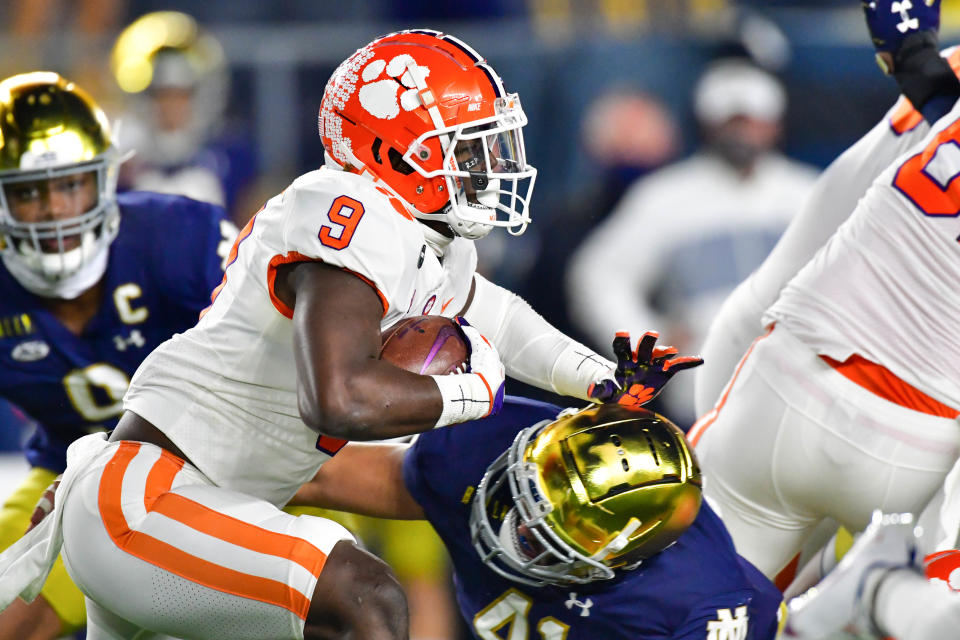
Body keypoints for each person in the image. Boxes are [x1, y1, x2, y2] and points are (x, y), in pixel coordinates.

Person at [0, 30, 701, 639]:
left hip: (197, 501)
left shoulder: (420, 238)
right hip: (153, 498)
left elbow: (502, 319)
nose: (488, 166)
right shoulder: (345, 207)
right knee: (363, 596)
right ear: (393, 155)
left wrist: (598, 380)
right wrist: (475, 386)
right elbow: (338, 399)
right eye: (465, 147)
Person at [688, 0, 960, 584]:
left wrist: (916, 60)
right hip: (925, 445)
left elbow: (777, 278)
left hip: (793, 376)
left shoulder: (944, 86)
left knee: (688, 605)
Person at [0, 72, 238, 640]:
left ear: (104, 180)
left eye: (71, 185)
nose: (56, 211)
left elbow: (276, 362)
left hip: (223, 461)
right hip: (67, 470)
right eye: (29, 193)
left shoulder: (174, 236)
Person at [292, 400, 784, 639]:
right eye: (521, 494)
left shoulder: (704, 605)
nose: (515, 527)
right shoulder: (476, 451)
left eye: (548, 534)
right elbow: (320, 478)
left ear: (621, 557)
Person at [566, 57, 817, 427]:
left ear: (774, 124)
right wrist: (647, 344)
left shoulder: (807, 193)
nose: (742, 133)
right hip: (705, 395)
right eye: (732, 121)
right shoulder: (665, 196)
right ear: (707, 124)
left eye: (751, 121)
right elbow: (598, 274)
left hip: (802, 390)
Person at [110, 11, 258, 224]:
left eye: (180, 96)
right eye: (163, 96)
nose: (171, 107)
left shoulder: (230, 153)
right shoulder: (127, 160)